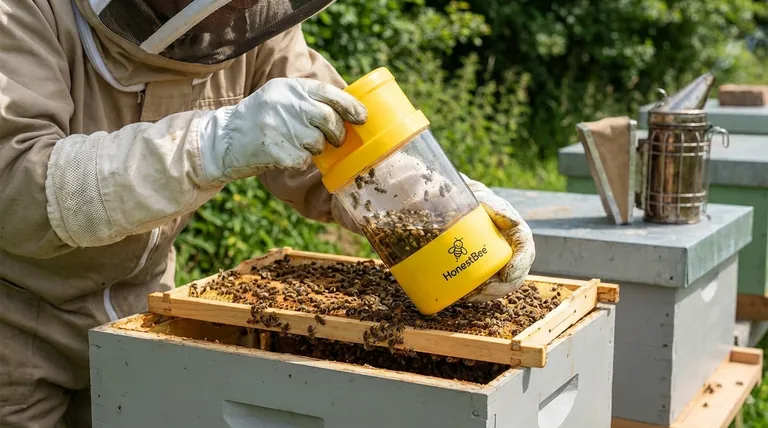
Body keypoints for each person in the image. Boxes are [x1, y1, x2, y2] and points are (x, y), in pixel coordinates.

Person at [0, 1, 535, 426]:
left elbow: (341, 148)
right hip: (17, 322)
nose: (246, 9)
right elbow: (17, 187)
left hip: (144, 310)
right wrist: (213, 145)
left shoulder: (246, 21)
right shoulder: (24, 13)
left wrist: (451, 213)